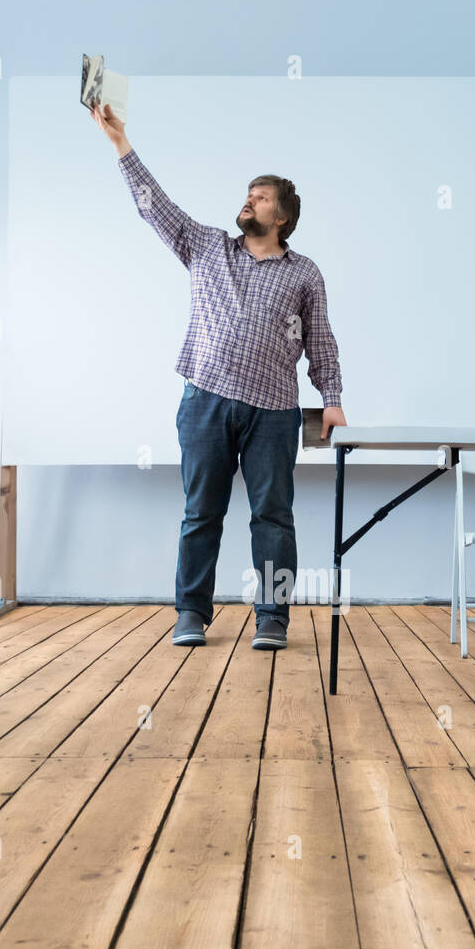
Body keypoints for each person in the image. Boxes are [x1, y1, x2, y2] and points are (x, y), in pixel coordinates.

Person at [90, 100, 346, 650]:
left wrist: (333, 398)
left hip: (274, 412)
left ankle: (272, 617)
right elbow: (154, 206)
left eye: (260, 197)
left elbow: (321, 339)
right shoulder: (205, 246)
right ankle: (190, 612)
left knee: (272, 517)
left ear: (281, 217)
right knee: (200, 511)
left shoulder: (305, 273)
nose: (248, 200)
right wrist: (120, 143)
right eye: (248, 194)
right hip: (205, 400)